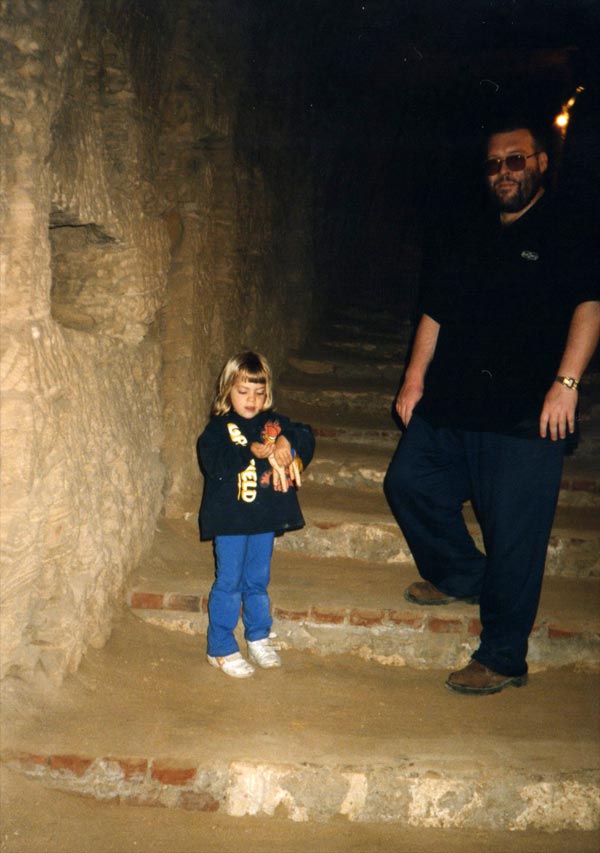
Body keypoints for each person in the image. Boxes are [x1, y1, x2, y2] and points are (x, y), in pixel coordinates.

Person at [384, 120, 600, 695]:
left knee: (514, 537)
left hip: (526, 415)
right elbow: (435, 310)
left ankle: (503, 656)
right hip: (452, 404)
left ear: (541, 163)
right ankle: (463, 574)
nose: (503, 171)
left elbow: (589, 306)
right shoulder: (470, 228)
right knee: (408, 483)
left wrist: (567, 383)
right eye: (494, 163)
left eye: (515, 160)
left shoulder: (567, 227)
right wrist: (413, 379)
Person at [197, 351, 315, 678]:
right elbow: (215, 464)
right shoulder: (218, 429)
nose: (251, 400)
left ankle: (258, 637)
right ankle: (220, 648)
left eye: (259, 392)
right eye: (243, 391)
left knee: (258, 582)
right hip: (230, 521)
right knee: (229, 582)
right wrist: (248, 450)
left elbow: (304, 434)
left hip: (263, 520)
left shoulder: (272, 425)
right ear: (227, 391)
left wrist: (286, 442)